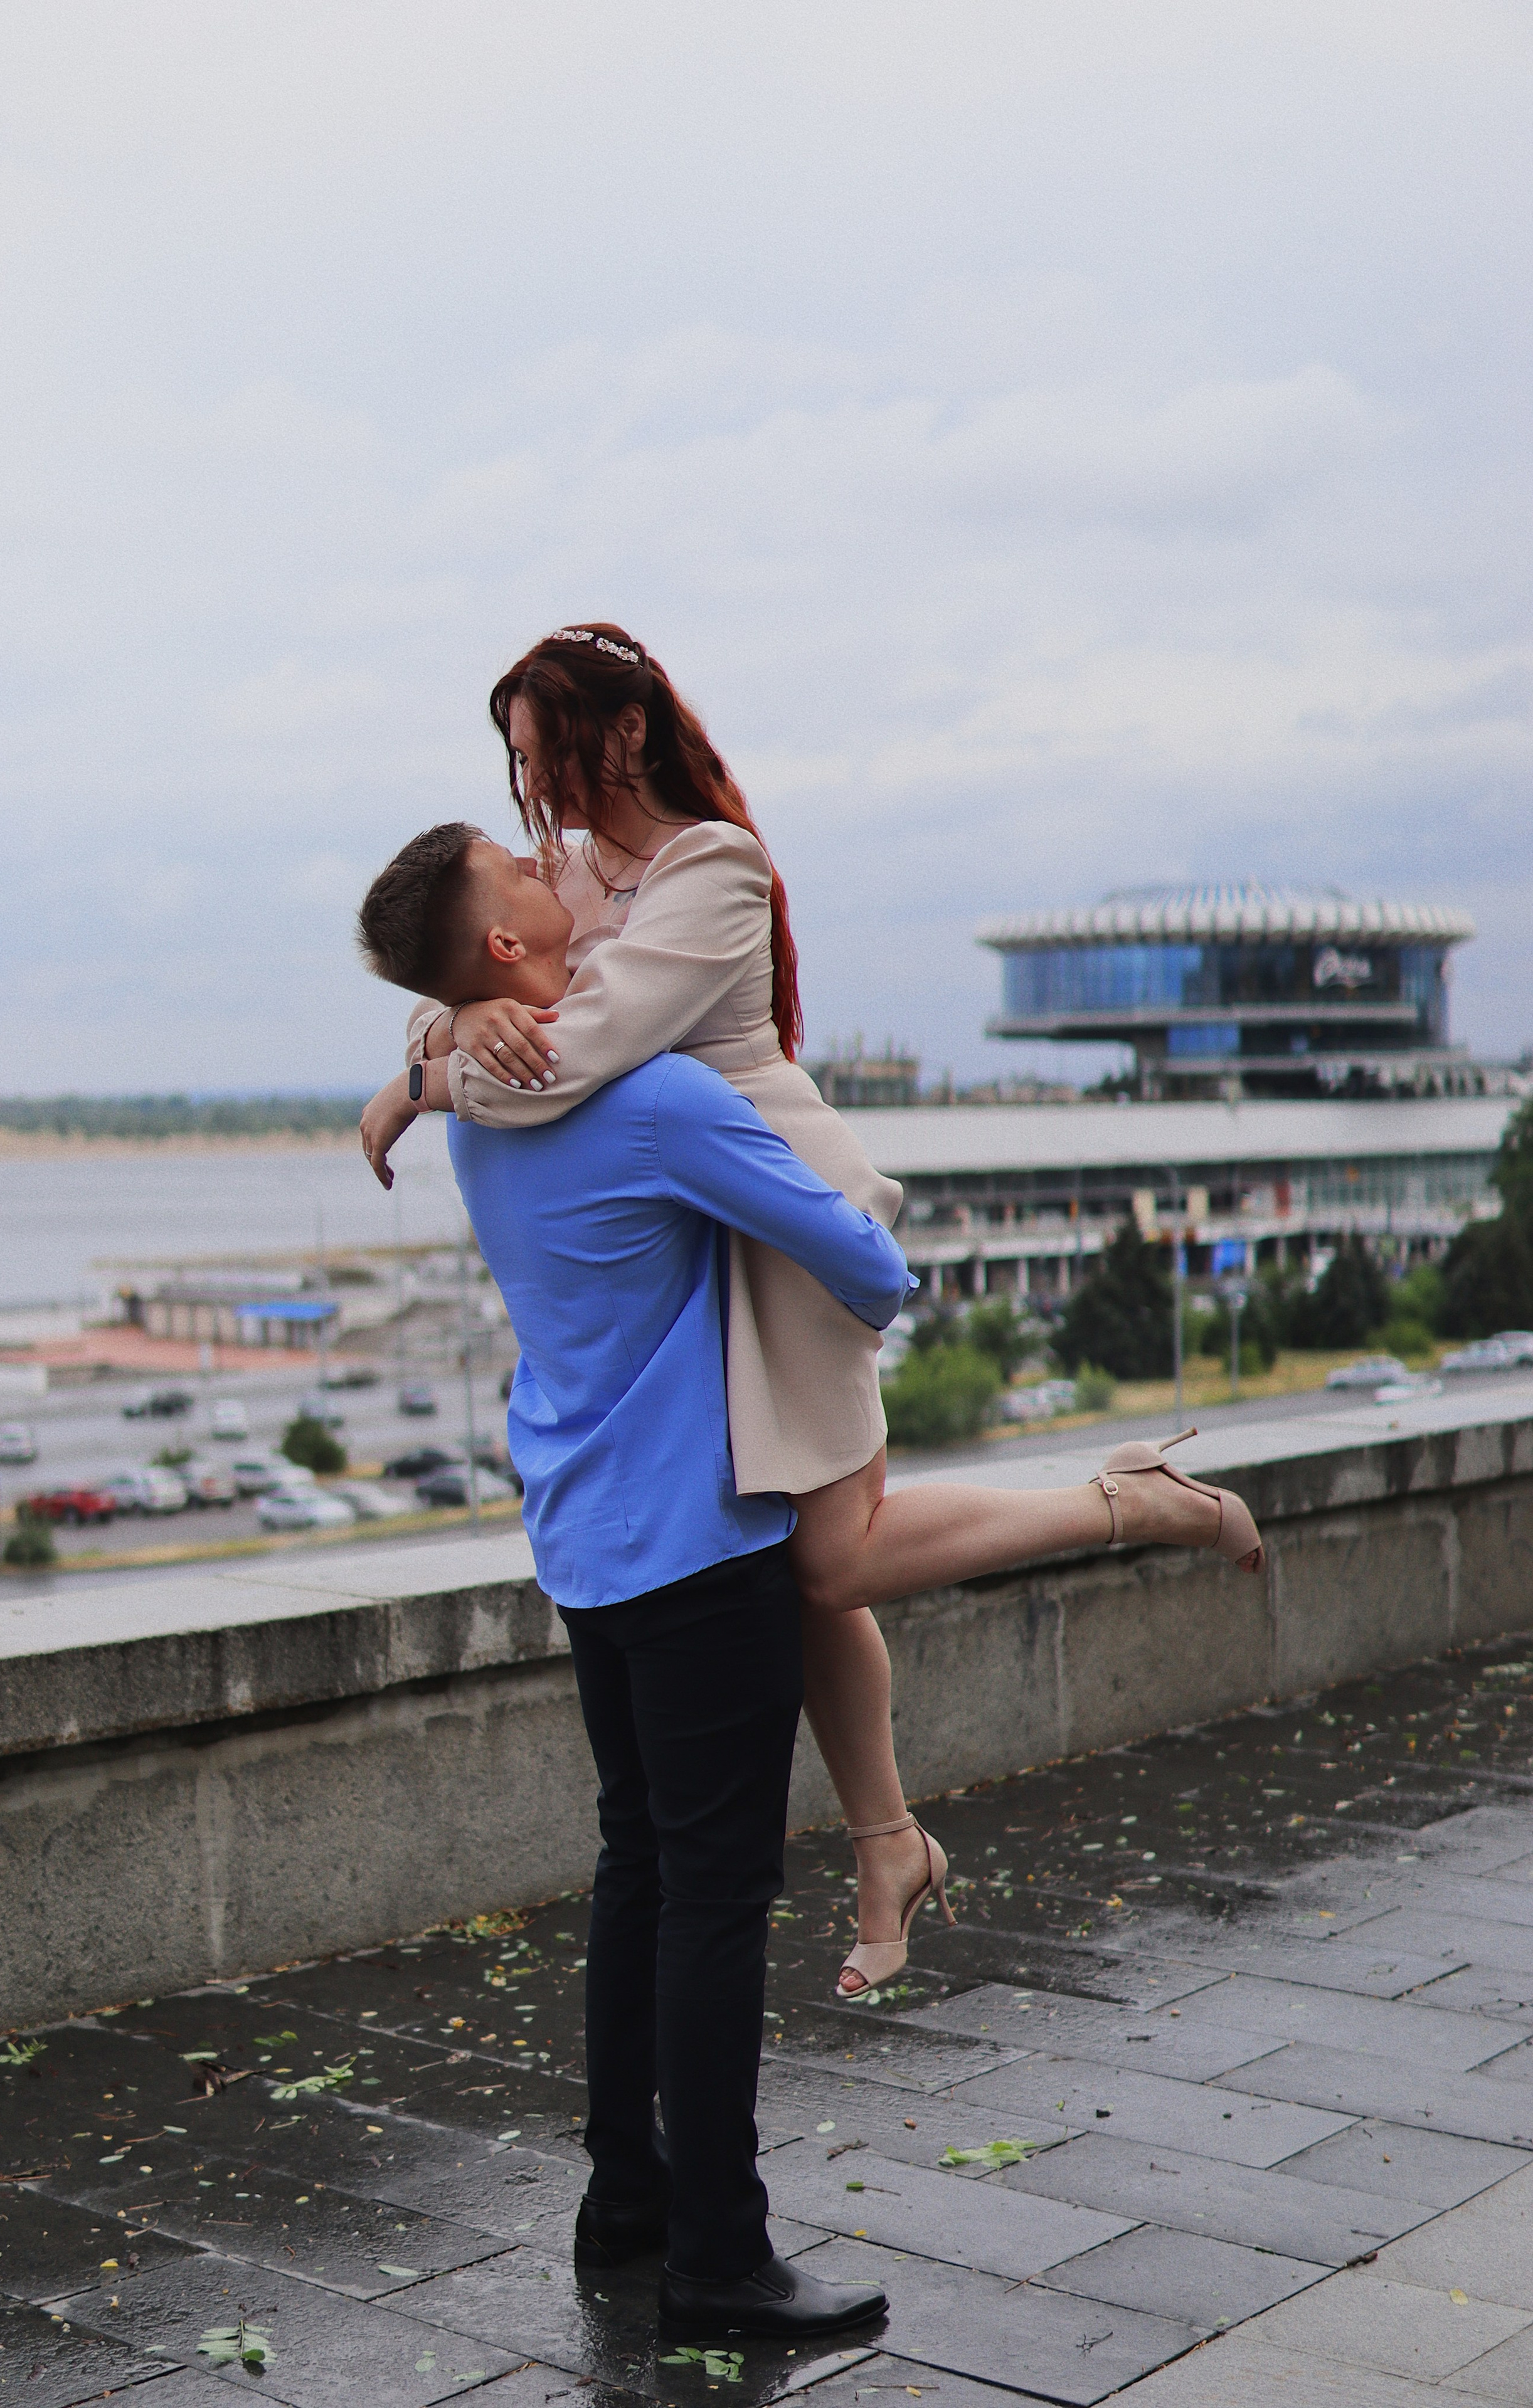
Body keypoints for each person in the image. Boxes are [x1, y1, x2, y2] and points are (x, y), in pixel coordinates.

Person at [359, 626, 1265, 1997]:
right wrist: (442, 1028)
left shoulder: (710, 867)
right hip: (693, 1230)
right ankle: (888, 1843)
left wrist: (424, 1079)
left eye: (544, 754)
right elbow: (477, 977)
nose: (529, 789)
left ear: (622, 734)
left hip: (785, 1225)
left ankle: (1130, 1502)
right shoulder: (569, 877)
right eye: (517, 762)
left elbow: (572, 1054)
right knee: (790, 1562)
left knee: (832, 1562)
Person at [358, 824, 906, 2338]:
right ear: (506, 947)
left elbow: (455, 1059)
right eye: (519, 869)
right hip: (701, 1545)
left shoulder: (479, 1109)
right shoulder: (657, 1100)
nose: (555, 868)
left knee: (638, 1870)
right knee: (716, 1898)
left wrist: (433, 1047)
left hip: (588, 1545)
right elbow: (864, 1262)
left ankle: (626, 2205)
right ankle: (720, 2257)